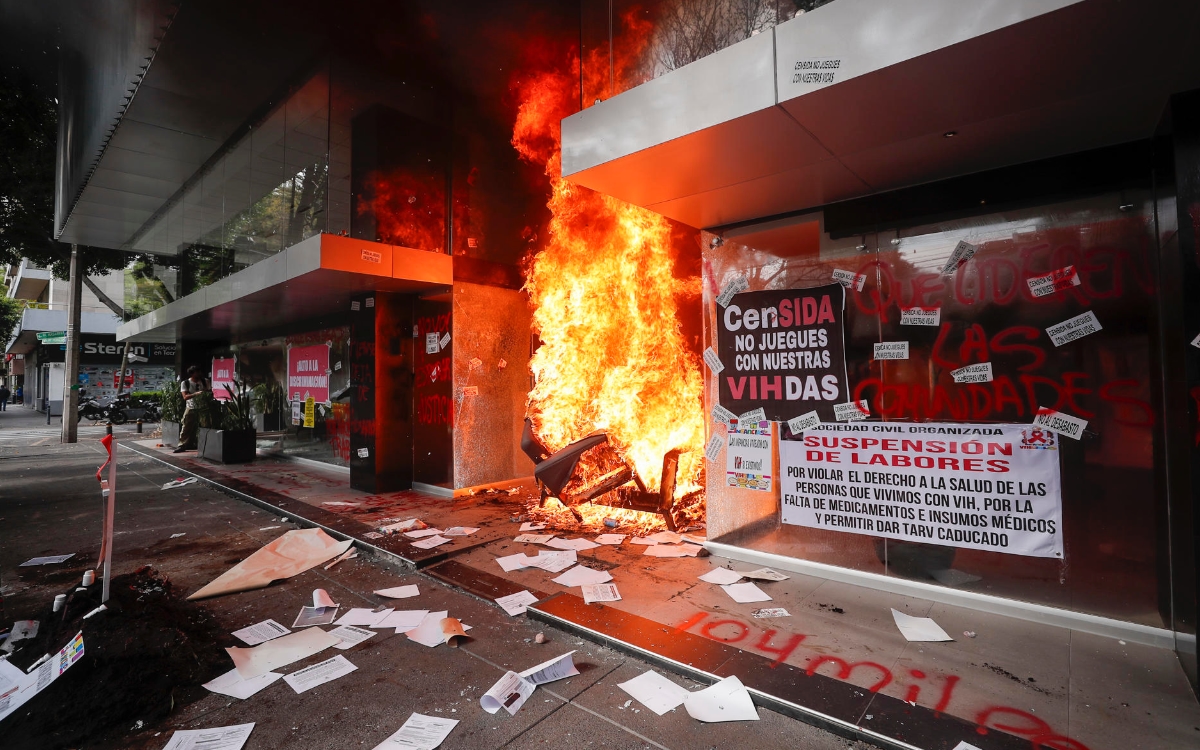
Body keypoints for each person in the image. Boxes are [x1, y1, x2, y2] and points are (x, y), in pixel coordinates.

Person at [175, 366, 209, 453]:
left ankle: (204, 445)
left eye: (199, 372)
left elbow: (210, 392)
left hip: (203, 407)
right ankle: (182, 445)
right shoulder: (185, 383)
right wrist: (196, 394)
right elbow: (185, 397)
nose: (199, 374)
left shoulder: (205, 381)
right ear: (192, 373)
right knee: (186, 426)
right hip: (191, 407)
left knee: (205, 426)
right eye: (197, 372)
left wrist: (206, 393)